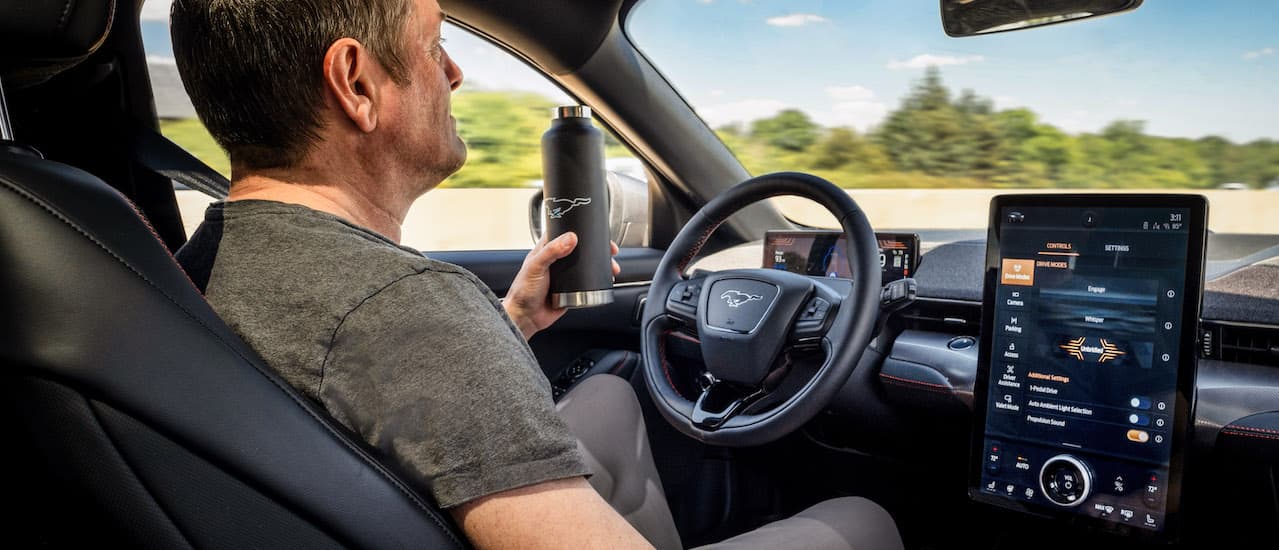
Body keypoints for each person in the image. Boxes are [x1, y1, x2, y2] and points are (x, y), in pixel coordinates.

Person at [168, 0, 903, 549]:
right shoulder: (404, 308)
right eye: (435, 49)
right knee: (864, 519)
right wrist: (458, 328)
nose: (454, 74)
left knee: (613, 397)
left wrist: (506, 324)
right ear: (356, 83)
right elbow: (398, 343)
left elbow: (362, 385)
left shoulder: (204, 257)